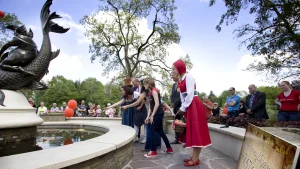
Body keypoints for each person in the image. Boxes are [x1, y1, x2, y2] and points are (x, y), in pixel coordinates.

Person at [172, 59, 211, 166]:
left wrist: (183, 108)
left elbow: (189, 94)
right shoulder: (181, 79)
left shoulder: (189, 76)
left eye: (173, 69)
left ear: (179, 68)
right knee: (194, 131)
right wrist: (182, 107)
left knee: (196, 131)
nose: (172, 71)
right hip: (190, 105)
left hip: (194, 104)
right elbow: (182, 96)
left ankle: (195, 159)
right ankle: (194, 157)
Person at [122, 78, 173, 157]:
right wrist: (148, 116)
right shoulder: (149, 93)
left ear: (148, 84)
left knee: (152, 132)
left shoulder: (154, 91)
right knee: (160, 132)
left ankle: (153, 151)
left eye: (145, 84)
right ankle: (169, 148)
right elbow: (150, 107)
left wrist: (152, 116)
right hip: (155, 113)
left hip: (158, 114)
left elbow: (157, 104)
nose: (143, 86)